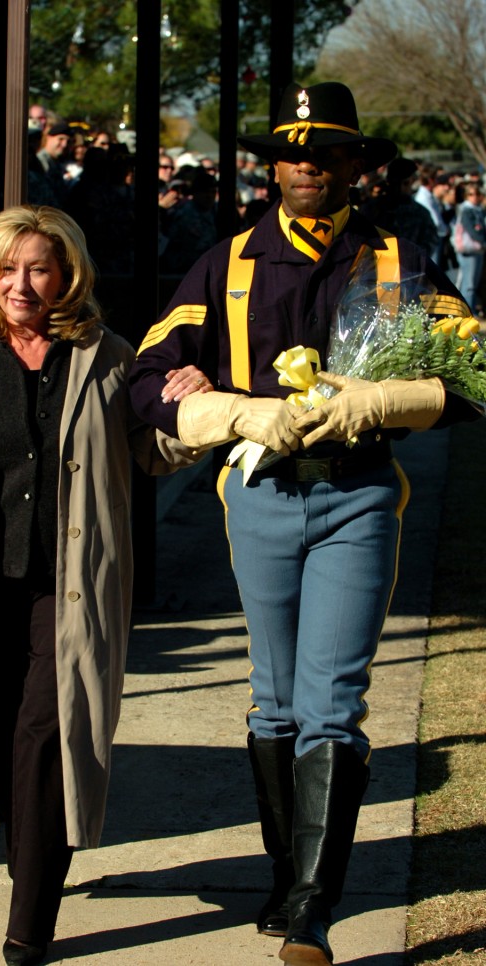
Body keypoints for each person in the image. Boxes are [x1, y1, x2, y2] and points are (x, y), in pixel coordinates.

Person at [128, 82, 483, 966]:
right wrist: (220, 412)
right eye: (291, 152)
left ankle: (314, 910)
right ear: (271, 165)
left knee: (335, 703)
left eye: (325, 152)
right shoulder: (226, 263)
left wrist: (387, 398)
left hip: (358, 496)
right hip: (258, 500)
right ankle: (289, 877)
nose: (305, 167)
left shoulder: (397, 263)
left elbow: (474, 373)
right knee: (275, 699)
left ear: (356, 165)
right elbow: (145, 377)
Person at [0, 205, 210, 966]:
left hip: (73, 584)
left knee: (45, 733)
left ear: (67, 275)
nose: (22, 284)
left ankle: (28, 928)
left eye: (40, 268)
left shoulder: (109, 356)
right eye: (9, 267)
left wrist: (193, 402)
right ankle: (31, 853)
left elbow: (153, 451)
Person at [453, 182, 486, 314]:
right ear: (466, 196)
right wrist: (482, 240)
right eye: (471, 194)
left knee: (474, 282)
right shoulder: (466, 210)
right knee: (468, 283)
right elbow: (472, 231)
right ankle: (467, 312)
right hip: (468, 250)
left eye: (477, 194)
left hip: (478, 250)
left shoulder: (478, 209)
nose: (474, 197)